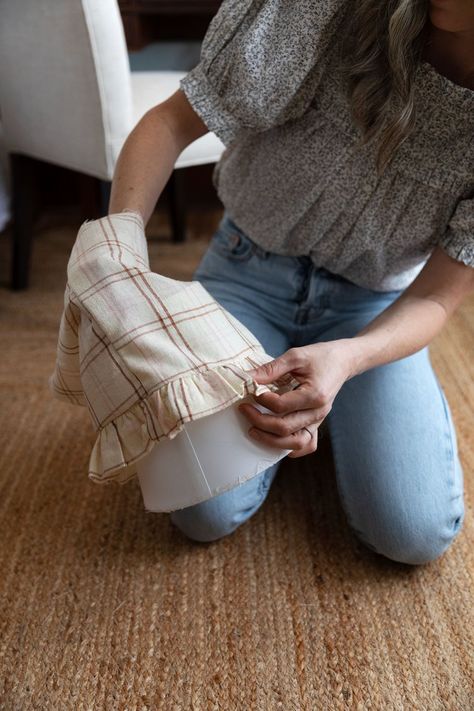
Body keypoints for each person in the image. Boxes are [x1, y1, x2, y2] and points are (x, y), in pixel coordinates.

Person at [108, 0, 474, 564]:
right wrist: (119, 261)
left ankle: (339, 405)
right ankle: (314, 417)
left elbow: (434, 297)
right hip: (246, 272)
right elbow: (170, 122)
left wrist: (350, 358)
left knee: (413, 535)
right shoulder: (325, 9)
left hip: (374, 310)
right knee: (201, 512)